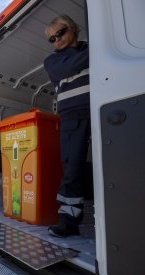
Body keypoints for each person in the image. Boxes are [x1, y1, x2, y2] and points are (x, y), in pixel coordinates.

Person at [43, 15, 90, 238]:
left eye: (59, 33)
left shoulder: (92, 49)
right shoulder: (52, 62)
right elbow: (71, 66)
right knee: (71, 169)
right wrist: (96, 52)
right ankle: (68, 221)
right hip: (72, 117)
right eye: (52, 39)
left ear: (73, 28)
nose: (56, 40)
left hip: (102, 110)